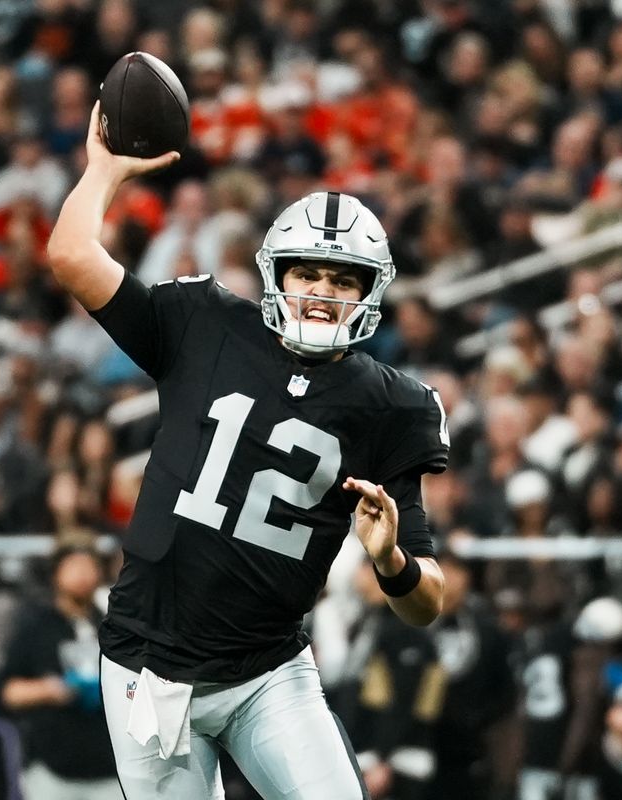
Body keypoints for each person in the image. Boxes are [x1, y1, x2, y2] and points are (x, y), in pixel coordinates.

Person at [46, 103, 448, 799]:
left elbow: (427, 603)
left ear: (369, 292)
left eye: (343, 279)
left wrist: (390, 561)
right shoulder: (204, 323)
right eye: (309, 274)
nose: (323, 294)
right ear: (278, 276)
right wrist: (104, 171)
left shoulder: (390, 404)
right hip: (150, 667)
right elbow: (72, 256)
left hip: (269, 673)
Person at [0, 540, 119, 800]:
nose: (83, 574)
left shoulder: (113, 626)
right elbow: (7, 691)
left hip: (110, 770)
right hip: (52, 772)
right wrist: (50, 689)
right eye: (74, 566)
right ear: (56, 574)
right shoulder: (36, 627)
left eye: (89, 566)